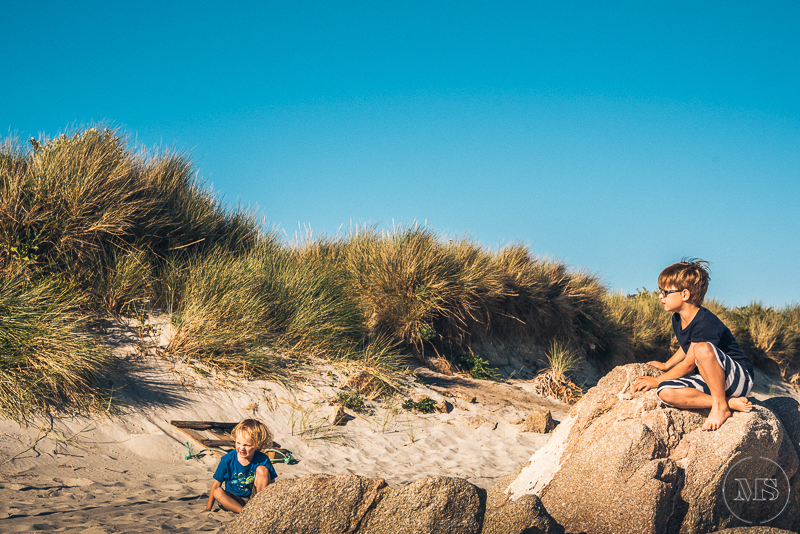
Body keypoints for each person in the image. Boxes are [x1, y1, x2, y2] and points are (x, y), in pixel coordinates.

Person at [633, 259, 754, 431]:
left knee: (701, 349)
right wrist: (667, 365)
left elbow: (690, 363)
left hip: (738, 378)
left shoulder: (705, 322)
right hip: (712, 381)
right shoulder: (678, 318)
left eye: (666, 292)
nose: (661, 296)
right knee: (665, 392)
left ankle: (720, 407)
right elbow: (686, 347)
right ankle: (727, 402)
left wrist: (657, 379)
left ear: (685, 294)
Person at [201, 419, 277, 513]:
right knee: (217, 491)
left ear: (258, 445)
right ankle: (244, 513)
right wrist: (208, 508)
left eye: (247, 445)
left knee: (263, 470)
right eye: (238, 443)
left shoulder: (263, 459)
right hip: (232, 500)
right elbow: (216, 484)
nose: (241, 448)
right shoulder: (227, 460)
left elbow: (272, 483)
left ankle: (259, 506)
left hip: (253, 498)